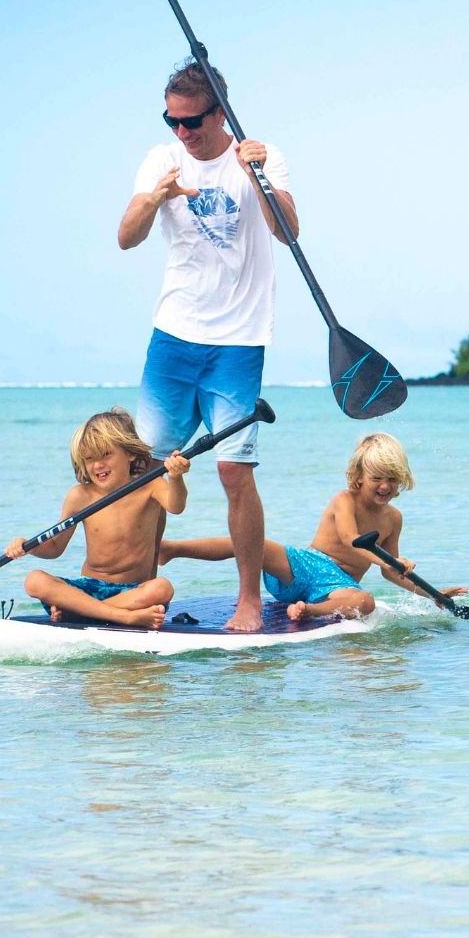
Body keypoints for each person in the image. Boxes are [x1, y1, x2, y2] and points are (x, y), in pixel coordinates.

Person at [117, 58, 296, 632]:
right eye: (171, 120)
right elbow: (126, 237)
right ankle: (134, 592)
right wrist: (155, 197)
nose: (181, 133)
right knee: (144, 471)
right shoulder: (161, 158)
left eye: (192, 122)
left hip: (238, 342)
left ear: (219, 113)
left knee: (233, 473)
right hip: (174, 336)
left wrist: (259, 177)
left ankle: (247, 601)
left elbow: (289, 233)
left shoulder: (259, 155)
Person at [160, 433, 469, 622]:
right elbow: (352, 541)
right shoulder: (343, 500)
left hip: (336, 588)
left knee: (366, 602)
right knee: (255, 543)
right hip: (306, 566)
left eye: (392, 478)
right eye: (377, 478)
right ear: (359, 476)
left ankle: (309, 612)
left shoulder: (393, 518)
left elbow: (390, 571)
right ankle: (174, 549)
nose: (385, 486)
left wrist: (432, 594)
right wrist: (392, 562)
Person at [6, 408, 190, 628]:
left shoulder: (150, 485)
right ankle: (121, 616)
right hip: (88, 589)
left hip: (132, 592)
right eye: (89, 459)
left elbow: (176, 506)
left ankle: (81, 613)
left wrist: (176, 478)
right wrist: (27, 546)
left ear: (130, 453)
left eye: (105, 455)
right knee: (34, 580)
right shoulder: (80, 495)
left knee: (162, 588)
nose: (98, 465)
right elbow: (55, 547)